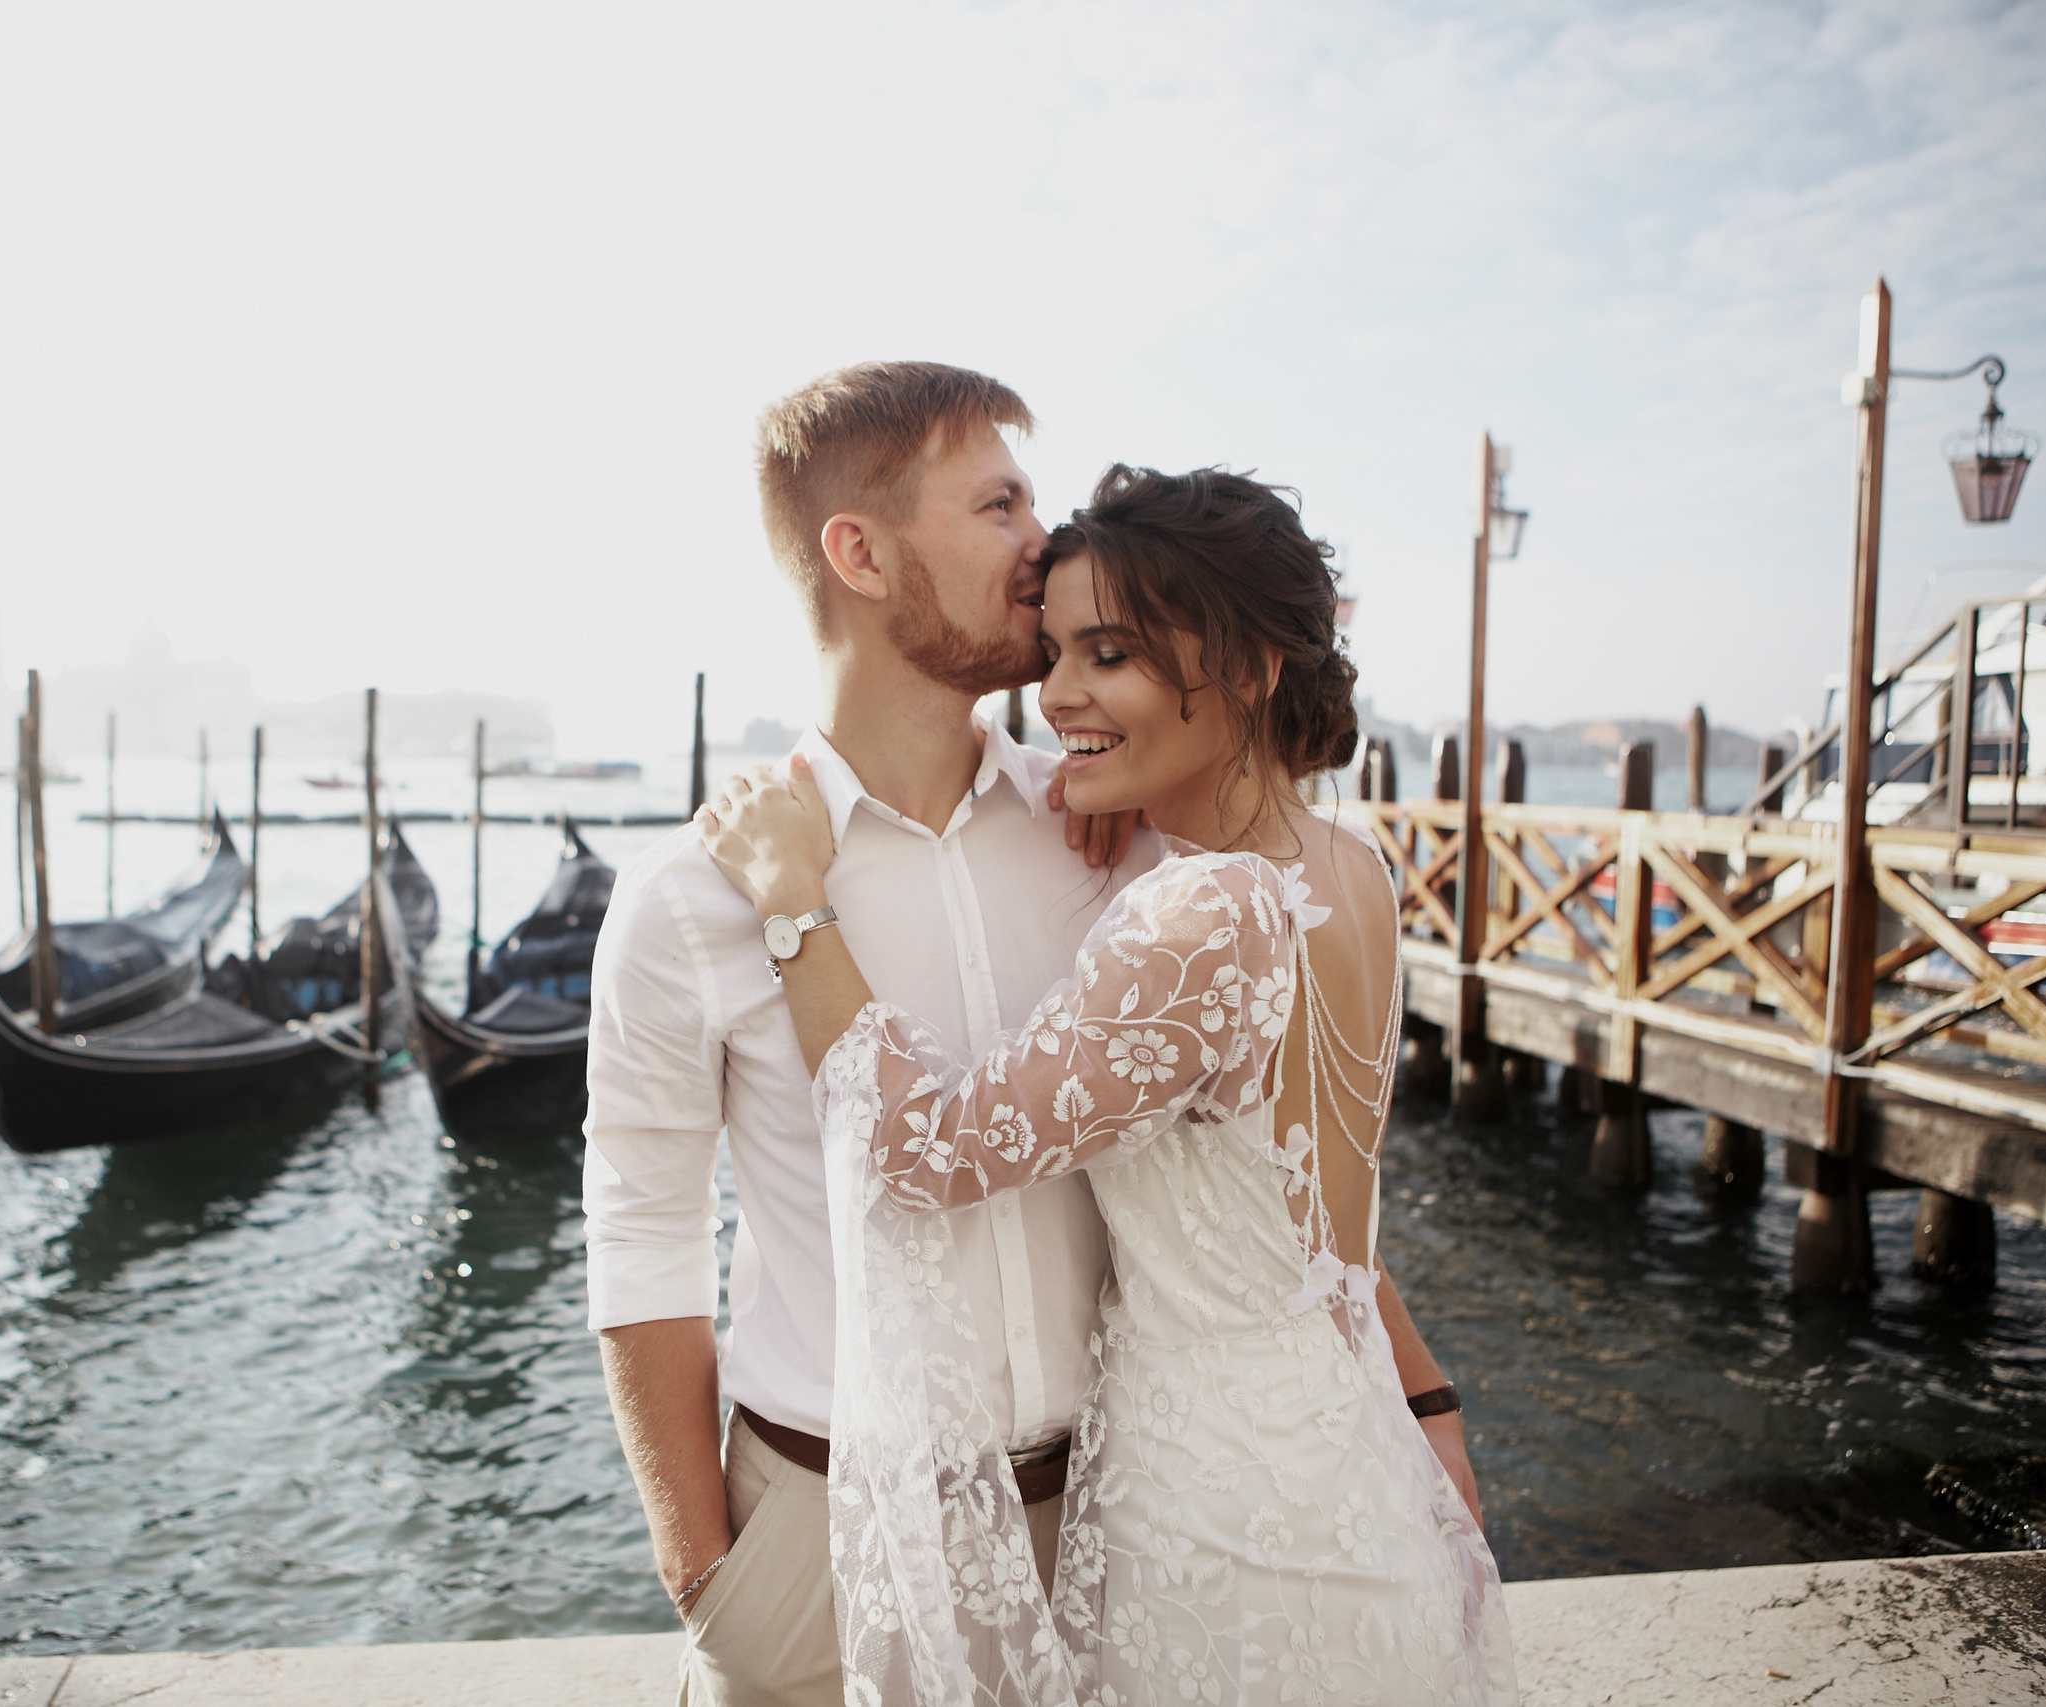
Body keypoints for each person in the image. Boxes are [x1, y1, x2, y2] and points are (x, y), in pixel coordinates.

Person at [584, 363, 1478, 1707]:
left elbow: (1273, 1175)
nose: (1039, 540)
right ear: (862, 552)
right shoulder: (688, 894)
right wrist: (707, 1575)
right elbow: (642, 1238)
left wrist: (1425, 1407)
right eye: (1000, 503)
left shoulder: (1135, 852)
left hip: (1123, 1528)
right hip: (830, 1533)